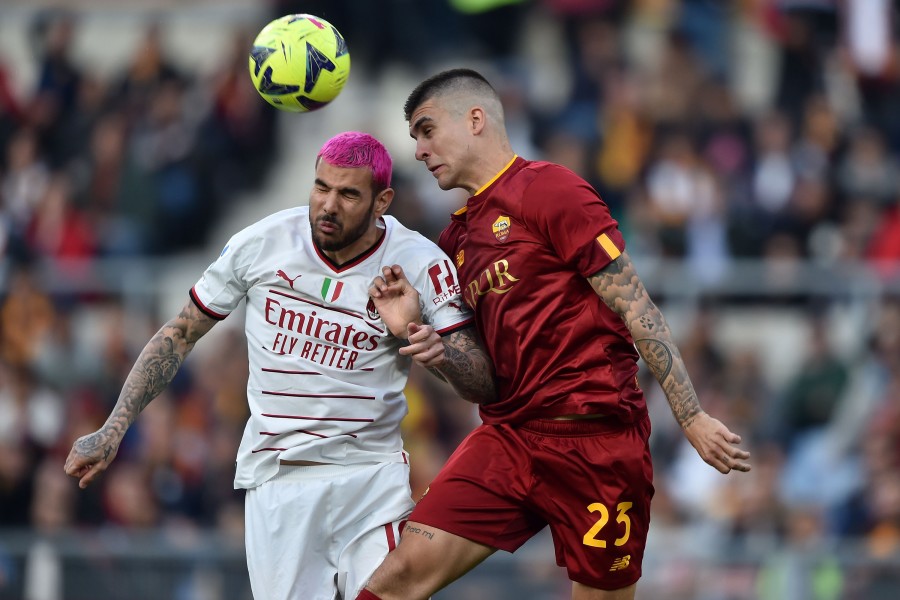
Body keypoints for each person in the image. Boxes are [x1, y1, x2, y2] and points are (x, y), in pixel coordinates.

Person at [356, 69, 752, 600]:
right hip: (510, 437)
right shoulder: (453, 241)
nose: (420, 150)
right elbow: (484, 385)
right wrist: (430, 345)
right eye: (414, 139)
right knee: (397, 577)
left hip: (598, 442)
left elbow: (637, 307)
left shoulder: (550, 189)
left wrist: (691, 416)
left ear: (475, 119)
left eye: (427, 130)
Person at [64, 131, 495, 600]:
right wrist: (112, 428)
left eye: (348, 193)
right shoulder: (262, 243)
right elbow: (180, 333)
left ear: (381, 201)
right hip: (279, 481)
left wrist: (416, 335)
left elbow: (480, 381)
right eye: (321, 187)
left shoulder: (419, 263)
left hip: (370, 478)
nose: (328, 205)